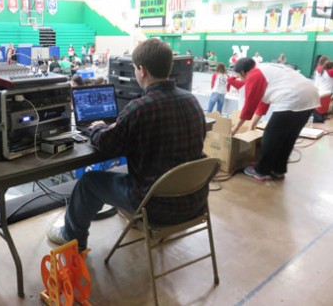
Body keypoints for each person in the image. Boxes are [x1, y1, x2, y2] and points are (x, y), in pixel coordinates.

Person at [46, 38, 207, 251]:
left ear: (142, 70)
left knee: (89, 182)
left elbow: (106, 145)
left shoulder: (139, 109)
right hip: (194, 201)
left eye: (134, 68)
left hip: (154, 206)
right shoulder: (192, 101)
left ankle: (71, 236)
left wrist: (97, 127)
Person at [231, 58, 319, 181]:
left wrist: (235, 128)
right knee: (288, 137)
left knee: (270, 137)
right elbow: (262, 105)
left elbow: (249, 106)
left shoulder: (254, 75)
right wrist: (251, 126)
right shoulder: (265, 69)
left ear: (243, 72)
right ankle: (278, 170)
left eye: (239, 76)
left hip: (292, 98)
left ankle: (261, 171)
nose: (240, 79)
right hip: (311, 97)